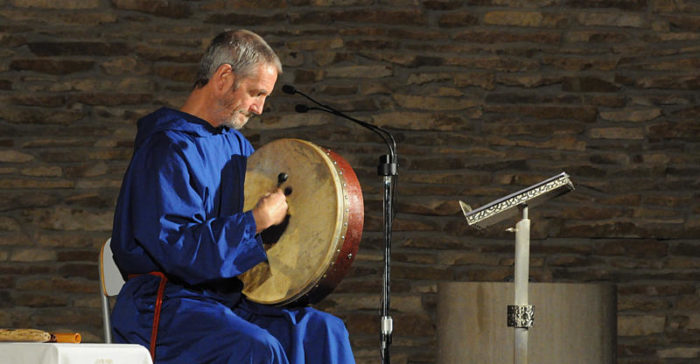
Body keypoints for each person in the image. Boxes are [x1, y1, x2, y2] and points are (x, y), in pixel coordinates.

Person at [110, 29, 356, 364]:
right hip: (166, 306)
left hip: (223, 301)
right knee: (257, 348)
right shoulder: (166, 148)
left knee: (324, 330)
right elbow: (178, 250)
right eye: (256, 93)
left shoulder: (236, 147)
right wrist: (256, 220)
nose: (260, 109)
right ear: (224, 77)